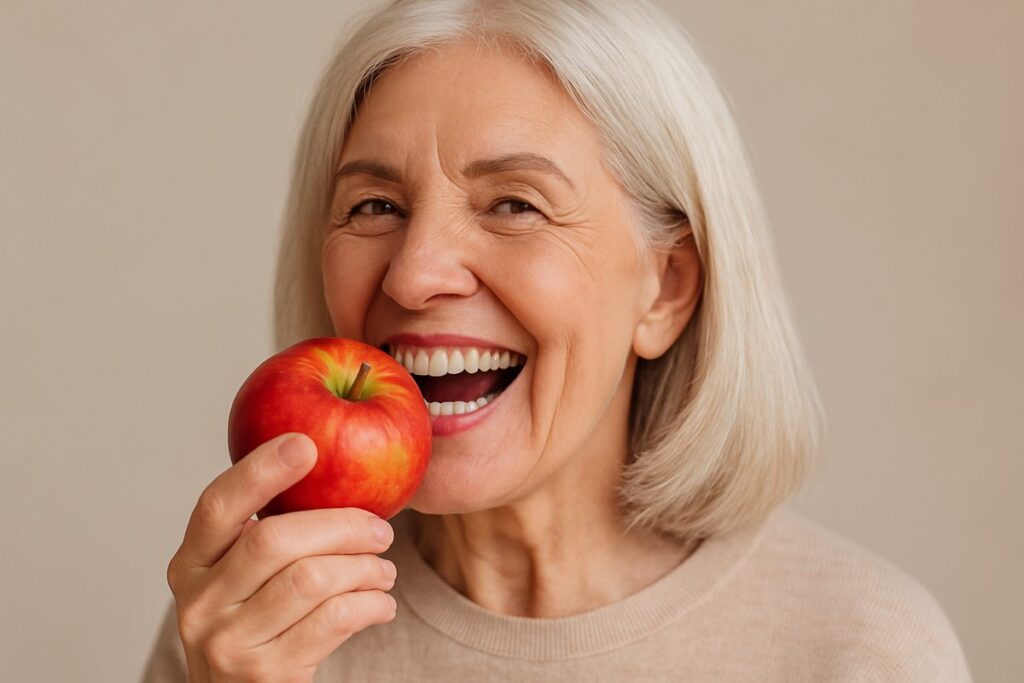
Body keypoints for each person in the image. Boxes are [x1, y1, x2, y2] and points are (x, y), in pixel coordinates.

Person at [142, 0, 972, 680]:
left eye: (515, 204)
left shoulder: (861, 648)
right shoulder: (257, 625)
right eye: (374, 206)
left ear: (667, 287)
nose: (413, 275)